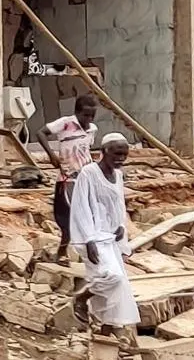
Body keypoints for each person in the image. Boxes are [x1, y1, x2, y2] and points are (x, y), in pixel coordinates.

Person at [69, 133, 139, 337]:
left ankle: (105, 335)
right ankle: (82, 297)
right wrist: (88, 239)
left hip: (111, 237)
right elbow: (81, 206)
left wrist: (120, 227)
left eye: (124, 155)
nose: (120, 159)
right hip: (94, 236)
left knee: (118, 290)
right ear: (105, 151)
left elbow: (118, 203)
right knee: (112, 278)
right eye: (117, 154)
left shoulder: (118, 175)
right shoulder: (89, 172)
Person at [36, 94, 100, 258]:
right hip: (67, 178)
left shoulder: (92, 129)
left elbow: (86, 150)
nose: (89, 118)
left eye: (92, 115)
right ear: (77, 113)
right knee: (67, 218)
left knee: (86, 215)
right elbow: (41, 133)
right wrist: (51, 155)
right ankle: (63, 251)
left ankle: (85, 253)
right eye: (86, 115)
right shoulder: (66, 124)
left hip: (85, 177)